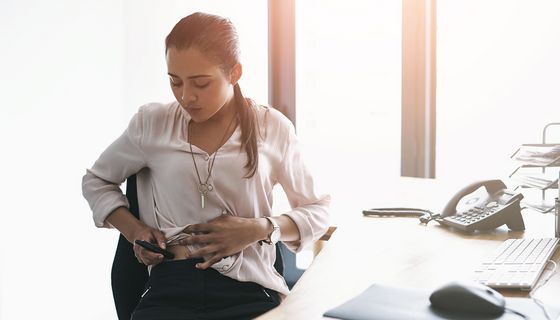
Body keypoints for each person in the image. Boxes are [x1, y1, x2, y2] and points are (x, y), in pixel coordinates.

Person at [82, 12, 330, 320]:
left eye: (201, 83)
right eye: (175, 82)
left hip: (248, 289)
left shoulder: (271, 127)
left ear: (234, 73)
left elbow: (318, 211)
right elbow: (95, 181)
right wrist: (135, 231)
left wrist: (260, 228)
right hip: (168, 290)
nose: (187, 96)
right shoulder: (152, 124)